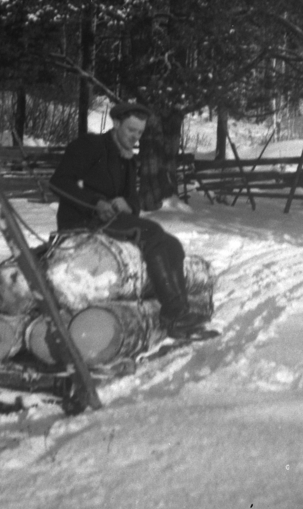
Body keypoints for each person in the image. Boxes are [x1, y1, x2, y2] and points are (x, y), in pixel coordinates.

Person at [49, 102, 209, 338]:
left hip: (111, 221)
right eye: (131, 130)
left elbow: (133, 200)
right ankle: (174, 314)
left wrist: (129, 204)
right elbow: (59, 182)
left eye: (140, 133)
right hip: (82, 220)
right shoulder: (90, 146)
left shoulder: (126, 158)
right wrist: (96, 202)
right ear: (116, 123)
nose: (135, 137)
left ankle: (180, 313)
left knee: (172, 244)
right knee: (152, 231)